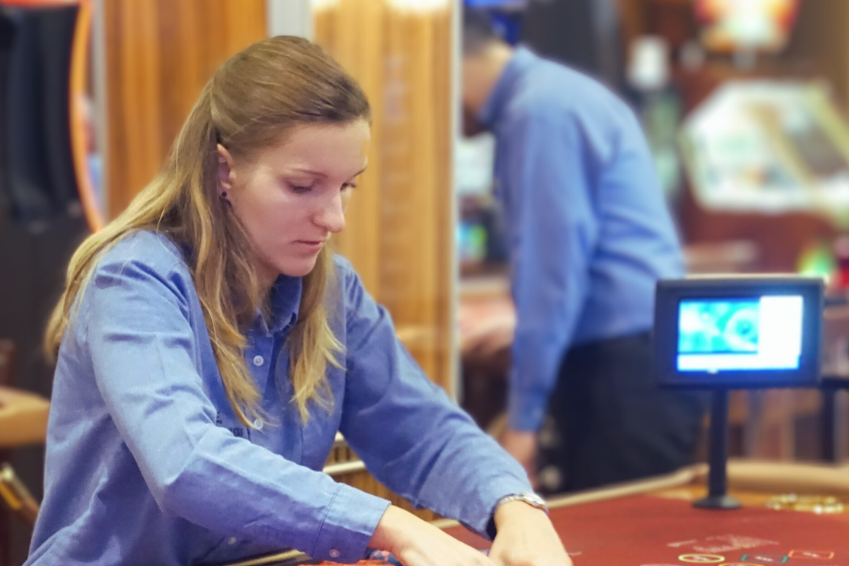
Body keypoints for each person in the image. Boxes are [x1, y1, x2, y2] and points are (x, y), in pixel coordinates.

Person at [26, 36, 572, 566]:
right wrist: (394, 527)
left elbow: (423, 429)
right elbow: (186, 464)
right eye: (303, 186)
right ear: (224, 171)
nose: (334, 219)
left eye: (347, 187)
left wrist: (516, 506)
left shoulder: (335, 292)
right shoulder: (134, 279)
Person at [461, 9, 706, 493]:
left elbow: (550, 274)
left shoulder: (539, 110)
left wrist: (523, 424)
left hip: (624, 374)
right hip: (640, 357)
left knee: (617, 542)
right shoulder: (555, 93)